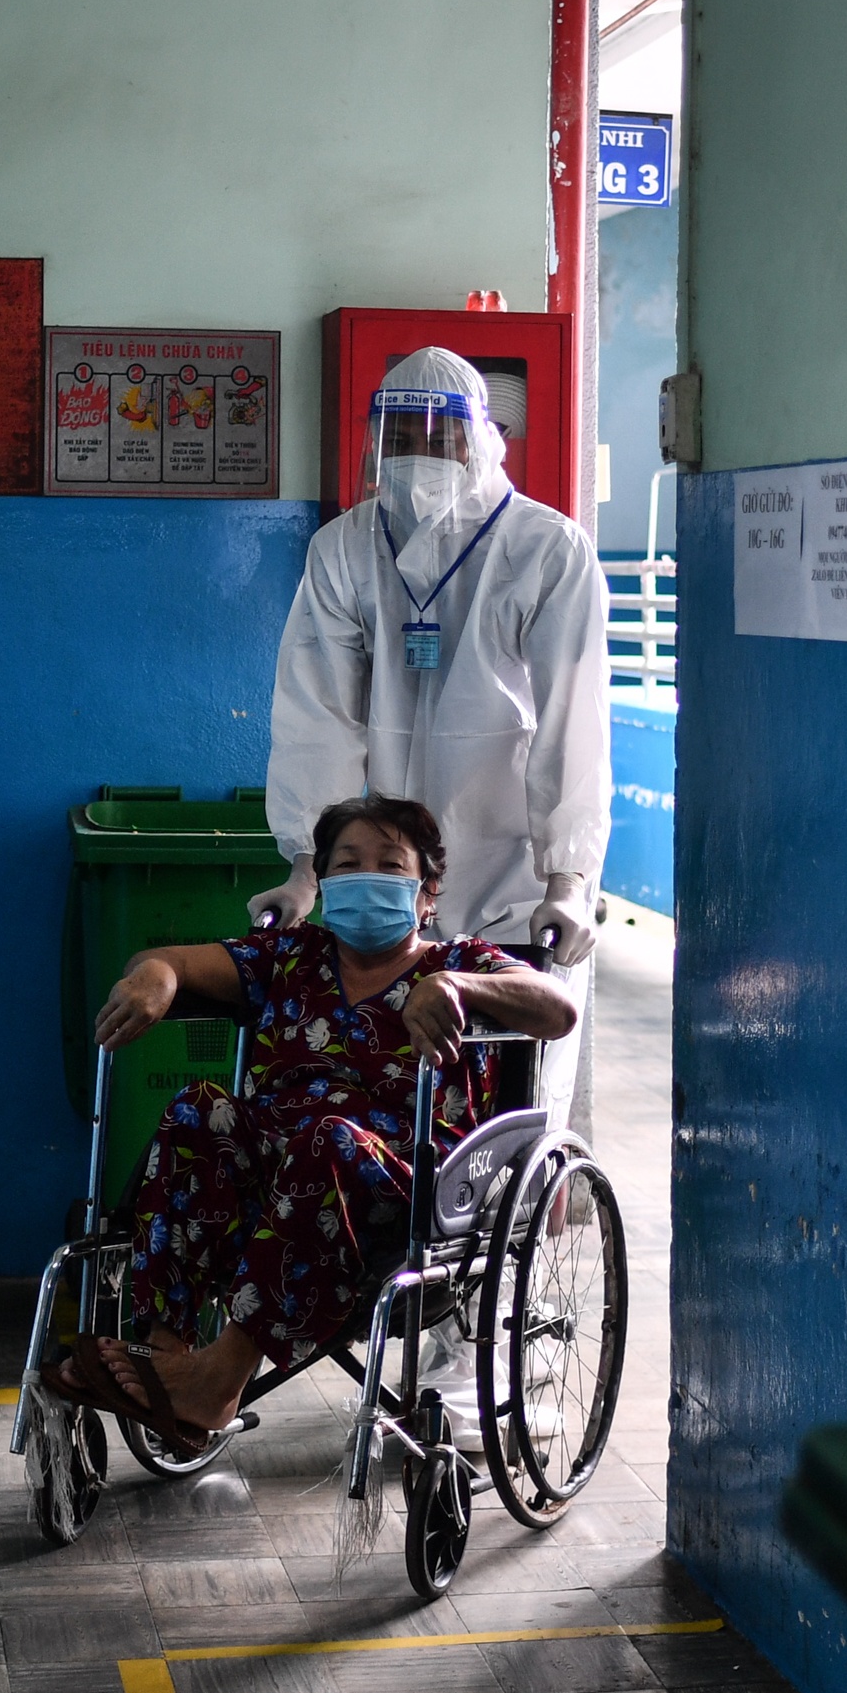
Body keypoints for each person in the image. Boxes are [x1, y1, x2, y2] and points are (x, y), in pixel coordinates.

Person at [40, 793, 575, 1456]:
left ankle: (220, 1378)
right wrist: (153, 976)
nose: (367, 876)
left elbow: (557, 1009)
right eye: (347, 864)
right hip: (277, 1171)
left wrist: (461, 990)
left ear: (427, 895)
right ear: (322, 884)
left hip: (396, 1183)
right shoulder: (290, 957)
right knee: (198, 1110)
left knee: (328, 1138)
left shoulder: (457, 962)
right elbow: (173, 961)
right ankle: (166, 1355)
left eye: (390, 865)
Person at [250, 343, 611, 1131]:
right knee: (385, 1094)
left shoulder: (545, 549)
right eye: (400, 435)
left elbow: (572, 726)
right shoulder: (345, 548)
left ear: (480, 438)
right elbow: (317, 715)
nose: (418, 452)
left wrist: (568, 878)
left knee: (505, 1113)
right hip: (390, 887)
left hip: (512, 875)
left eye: (438, 433)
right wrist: (306, 867)